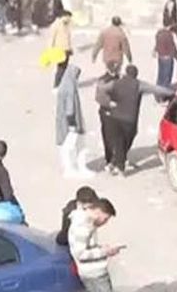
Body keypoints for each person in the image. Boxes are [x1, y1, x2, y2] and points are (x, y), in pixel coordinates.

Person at [106, 65, 171, 175]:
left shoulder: (116, 83)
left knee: (119, 142)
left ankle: (114, 163)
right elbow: (156, 89)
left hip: (115, 117)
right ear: (136, 75)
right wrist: (172, 92)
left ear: (126, 73)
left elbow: (103, 90)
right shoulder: (139, 85)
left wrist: (108, 103)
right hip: (129, 119)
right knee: (126, 140)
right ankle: (119, 167)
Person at [67, 198, 122, 292]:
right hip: (94, 274)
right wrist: (105, 252)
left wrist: (101, 248)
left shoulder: (86, 223)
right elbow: (81, 254)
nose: (105, 223)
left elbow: (86, 247)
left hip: (91, 273)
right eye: (105, 219)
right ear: (98, 212)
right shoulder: (83, 227)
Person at [54, 50, 92, 179]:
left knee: (67, 147)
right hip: (71, 124)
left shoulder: (63, 86)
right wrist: (72, 125)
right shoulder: (70, 87)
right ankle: (74, 168)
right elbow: (70, 108)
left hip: (63, 123)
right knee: (74, 146)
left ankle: (70, 168)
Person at [94, 61, 121, 172]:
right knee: (109, 136)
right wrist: (109, 103)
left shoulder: (119, 79)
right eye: (114, 69)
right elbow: (98, 97)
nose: (116, 71)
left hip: (118, 112)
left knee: (117, 136)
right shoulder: (103, 80)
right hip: (107, 112)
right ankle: (110, 160)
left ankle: (116, 159)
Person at [154, 25, 177, 89]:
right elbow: (173, 49)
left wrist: (155, 50)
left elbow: (157, 44)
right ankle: (164, 90)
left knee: (160, 75)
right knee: (167, 77)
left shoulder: (159, 33)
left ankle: (158, 89)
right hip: (168, 57)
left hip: (160, 57)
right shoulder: (169, 35)